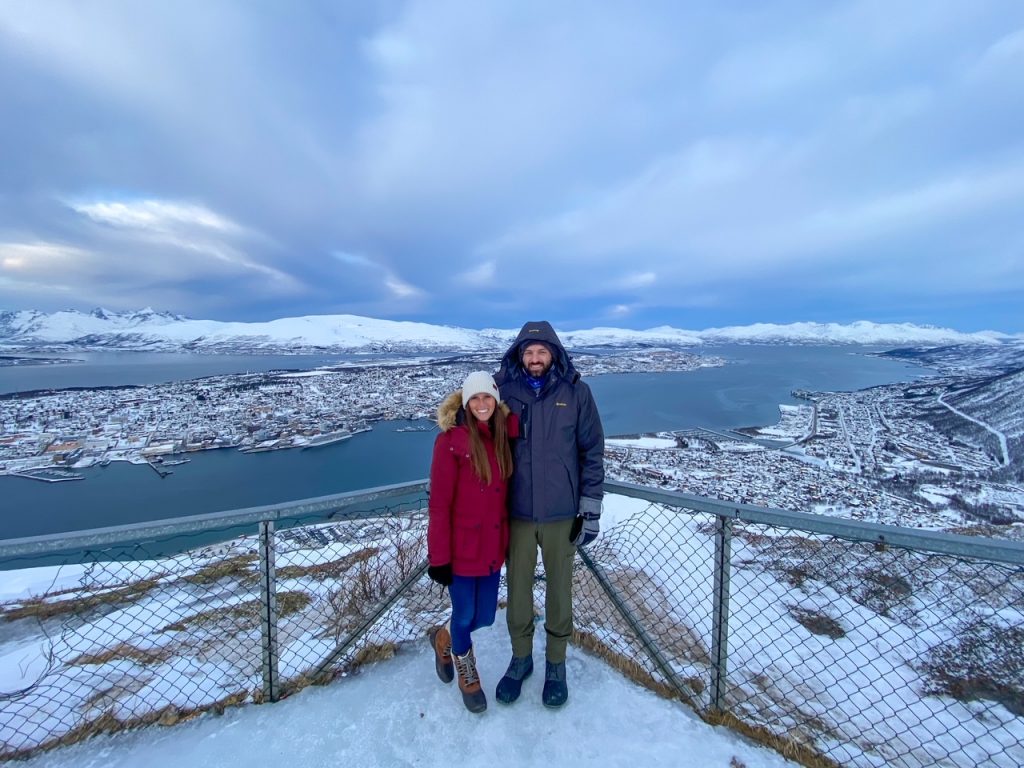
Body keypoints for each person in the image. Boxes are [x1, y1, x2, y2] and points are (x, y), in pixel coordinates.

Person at [492, 321, 605, 708]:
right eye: (528, 352)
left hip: (561, 513)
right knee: (518, 591)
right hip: (518, 513)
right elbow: (473, 431)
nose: (535, 359)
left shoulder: (577, 393)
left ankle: (556, 664)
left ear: (553, 353)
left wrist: (590, 509)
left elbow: (592, 452)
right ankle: (521, 658)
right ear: (519, 355)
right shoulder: (503, 392)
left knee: (560, 592)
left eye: (542, 351)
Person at [426, 371, 517, 713]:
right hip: (461, 549)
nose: (481, 404)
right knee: (464, 614)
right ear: (465, 403)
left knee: (486, 617)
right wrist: (439, 557)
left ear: (496, 401)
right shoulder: (450, 442)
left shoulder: (503, 437)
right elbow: (439, 505)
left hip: (492, 547)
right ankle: (467, 671)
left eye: (487, 397)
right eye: (474, 398)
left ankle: (443, 639)